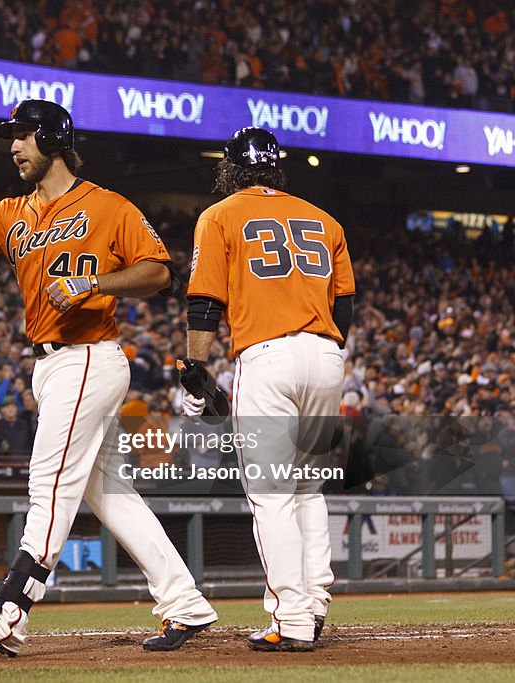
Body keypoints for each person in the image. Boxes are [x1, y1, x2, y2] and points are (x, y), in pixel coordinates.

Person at [0, 99, 216, 655]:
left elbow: (160, 271)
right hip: (49, 364)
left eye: (22, 136)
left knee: (49, 483)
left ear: (51, 138)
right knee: (108, 493)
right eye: (12, 138)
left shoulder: (106, 204)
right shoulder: (12, 212)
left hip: (89, 356)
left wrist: (94, 281)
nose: (14, 147)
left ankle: (9, 608)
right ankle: (185, 602)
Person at [182, 127, 355, 652]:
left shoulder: (219, 215)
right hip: (327, 355)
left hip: (267, 354)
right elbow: (343, 307)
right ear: (277, 168)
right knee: (308, 488)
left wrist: (194, 366)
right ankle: (316, 600)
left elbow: (206, 302)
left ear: (231, 168)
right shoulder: (325, 219)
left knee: (272, 496)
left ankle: (293, 618)